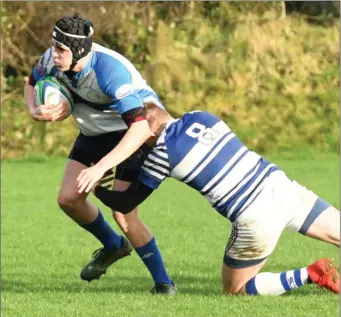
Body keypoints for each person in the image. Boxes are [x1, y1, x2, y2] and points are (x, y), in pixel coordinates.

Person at [93, 102, 340, 295]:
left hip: (254, 214)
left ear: (145, 128)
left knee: (235, 290)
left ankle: (311, 274)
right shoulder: (201, 115)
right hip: (282, 186)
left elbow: (126, 204)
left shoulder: (161, 154)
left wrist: (97, 187)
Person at [24, 14, 176, 295]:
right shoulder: (51, 60)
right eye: (53, 47)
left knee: (122, 211)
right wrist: (34, 110)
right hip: (93, 133)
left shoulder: (111, 71)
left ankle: (164, 284)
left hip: (132, 135)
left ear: (80, 50)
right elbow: (31, 84)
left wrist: (100, 168)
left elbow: (140, 129)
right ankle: (114, 246)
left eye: (61, 50)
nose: (53, 55)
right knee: (68, 198)